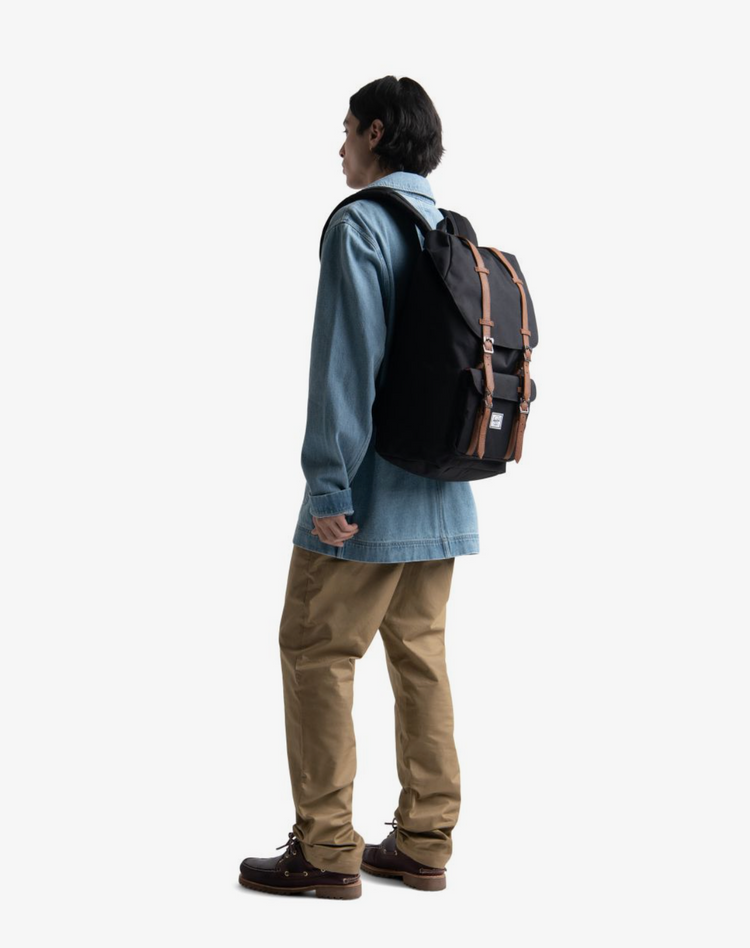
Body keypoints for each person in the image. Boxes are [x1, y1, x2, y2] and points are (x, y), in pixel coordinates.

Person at [238, 76, 480, 900]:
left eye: (346, 130)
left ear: (377, 133)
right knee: (421, 659)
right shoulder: (447, 227)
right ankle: (424, 840)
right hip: (442, 495)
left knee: (315, 651)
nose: (339, 146)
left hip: (367, 500)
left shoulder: (361, 225)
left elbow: (345, 368)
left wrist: (328, 487)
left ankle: (326, 848)